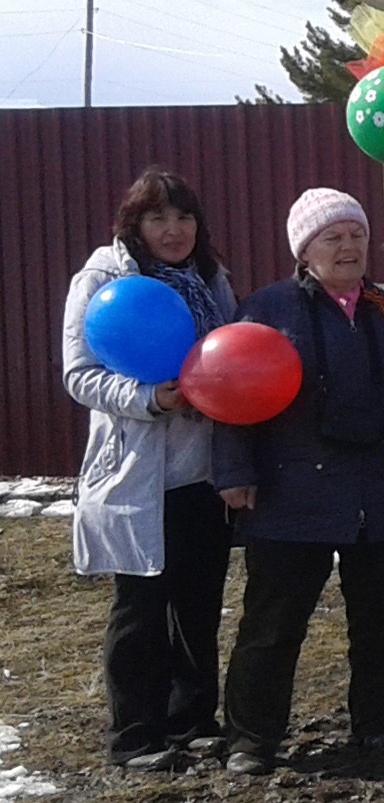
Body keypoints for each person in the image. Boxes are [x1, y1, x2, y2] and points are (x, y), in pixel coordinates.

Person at [216, 188, 384, 775]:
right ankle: (251, 739)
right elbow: (233, 390)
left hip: (382, 498)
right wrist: (235, 471)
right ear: (304, 250)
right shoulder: (267, 309)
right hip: (294, 497)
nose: (348, 247)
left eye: (357, 235)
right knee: (273, 624)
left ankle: (378, 727)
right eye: (332, 237)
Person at [63, 170, 241, 770]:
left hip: (200, 471)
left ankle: (192, 721)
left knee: (198, 606)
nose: (174, 230)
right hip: (136, 473)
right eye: (158, 218)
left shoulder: (212, 280)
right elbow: (80, 374)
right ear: (134, 225)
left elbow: (230, 359)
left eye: (184, 217)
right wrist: (150, 399)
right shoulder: (104, 280)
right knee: (139, 609)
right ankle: (134, 736)